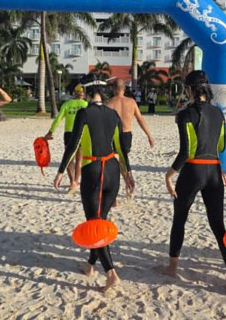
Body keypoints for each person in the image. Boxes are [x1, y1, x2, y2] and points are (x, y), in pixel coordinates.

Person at [161, 71, 226, 295]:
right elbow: (222, 146)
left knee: (180, 219)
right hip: (214, 171)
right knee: (218, 225)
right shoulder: (218, 113)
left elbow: (186, 151)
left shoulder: (185, 114)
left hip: (193, 170)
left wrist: (169, 175)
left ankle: (172, 268)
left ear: (189, 89)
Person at [55, 74, 135, 293]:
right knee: (100, 219)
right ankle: (90, 265)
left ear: (88, 92)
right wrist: (128, 173)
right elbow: (120, 146)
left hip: (94, 171)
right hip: (112, 171)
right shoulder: (112, 113)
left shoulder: (85, 113)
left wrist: (61, 171)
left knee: (94, 223)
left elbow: (73, 144)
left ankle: (111, 274)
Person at [107, 79, 155, 183]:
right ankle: (128, 182)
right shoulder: (131, 102)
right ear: (124, 89)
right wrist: (149, 135)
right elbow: (140, 119)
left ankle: (123, 181)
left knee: (116, 160)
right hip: (126, 135)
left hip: (113, 135)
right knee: (123, 159)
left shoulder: (109, 103)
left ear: (114, 89)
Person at [45, 84, 88, 192]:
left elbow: (58, 119)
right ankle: (76, 182)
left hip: (69, 133)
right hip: (82, 133)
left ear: (74, 93)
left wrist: (50, 132)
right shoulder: (86, 105)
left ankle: (72, 181)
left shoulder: (67, 104)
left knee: (69, 159)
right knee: (79, 159)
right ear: (83, 95)